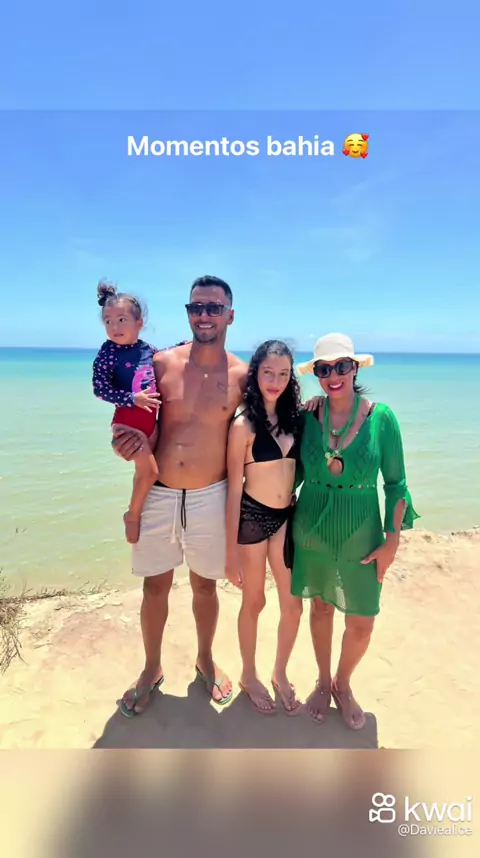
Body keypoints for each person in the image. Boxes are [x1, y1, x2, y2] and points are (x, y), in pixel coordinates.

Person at [111, 276, 248, 716]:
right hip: (160, 492)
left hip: (211, 494)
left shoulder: (242, 375)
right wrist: (121, 443)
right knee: (155, 587)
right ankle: (151, 667)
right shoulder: (160, 363)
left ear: (230, 315)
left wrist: (316, 407)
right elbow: (132, 415)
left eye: (213, 308)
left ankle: (205, 659)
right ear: (188, 313)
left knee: (205, 586)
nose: (204, 316)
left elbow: (275, 413)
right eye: (196, 308)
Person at [293, 333, 419, 729]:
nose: (333, 376)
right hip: (311, 529)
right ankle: (321, 680)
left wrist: (392, 540)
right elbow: (285, 468)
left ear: (355, 369)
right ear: (316, 374)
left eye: (341, 366)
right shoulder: (307, 417)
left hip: (363, 535)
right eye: (324, 369)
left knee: (362, 621)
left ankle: (342, 683)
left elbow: (396, 484)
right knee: (320, 608)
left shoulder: (382, 418)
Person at [226, 340, 304, 715]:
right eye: (268, 373)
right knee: (254, 601)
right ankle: (248, 674)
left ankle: (280, 672)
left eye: (284, 374)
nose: (275, 381)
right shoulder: (243, 425)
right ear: (256, 373)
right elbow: (232, 489)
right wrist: (230, 553)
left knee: (294, 606)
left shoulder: (296, 418)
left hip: (286, 517)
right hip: (253, 517)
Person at [93, 281, 187, 544]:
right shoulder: (108, 353)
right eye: (108, 321)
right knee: (151, 472)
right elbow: (99, 389)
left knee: (146, 473)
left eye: (121, 320)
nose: (114, 327)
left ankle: (148, 512)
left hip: (150, 424)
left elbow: (165, 356)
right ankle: (132, 515)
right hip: (128, 423)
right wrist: (132, 399)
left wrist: (184, 345)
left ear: (139, 323)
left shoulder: (147, 350)